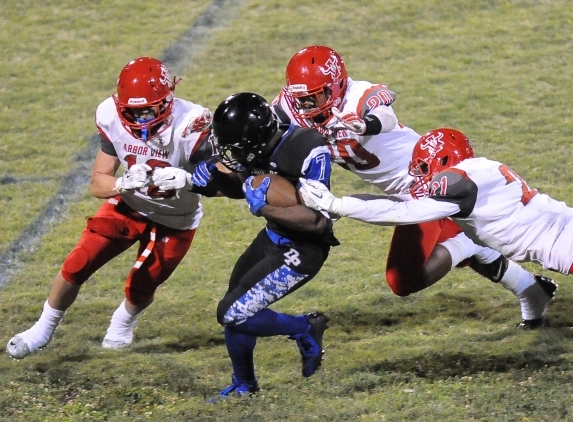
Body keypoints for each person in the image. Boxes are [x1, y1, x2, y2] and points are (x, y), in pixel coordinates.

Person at [271, 45, 556, 326]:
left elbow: (385, 116)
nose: (305, 105)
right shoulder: (291, 105)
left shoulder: (357, 96)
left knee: (403, 279)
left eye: (313, 96)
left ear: (337, 85)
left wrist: (362, 124)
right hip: (404, 193)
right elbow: (267, 123)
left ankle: (471, 247)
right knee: (449, 249)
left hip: (431, 183)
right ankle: (531, 291)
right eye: (301, 98)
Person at [6, 57, 215, 359]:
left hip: (176, 217)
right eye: (133, 111)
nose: (141, 119)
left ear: (169, 100)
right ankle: (43, 328)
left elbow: (225, 184)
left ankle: (122, 322)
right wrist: (122, 184)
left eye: (148, 109)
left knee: (144, 284)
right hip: (128, 204)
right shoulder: (109, 115)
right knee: (79, 261)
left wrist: (187, 179)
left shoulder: (191, 124)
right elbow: (97, 182)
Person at [191, 92, 339, 398]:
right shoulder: (259, 141)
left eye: (234, 147)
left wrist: (265, 208)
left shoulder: (308, 149)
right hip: (272, 237)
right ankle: (245, 384)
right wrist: (215, 180)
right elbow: (242, 188)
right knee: (235, 309)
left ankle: (304, 327)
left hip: (303, 249)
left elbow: (318, 221)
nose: (228, 153)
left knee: (233, 312)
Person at [299, 127, 572, 279]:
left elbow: (403, 211)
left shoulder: (456, 183)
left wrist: (338, 205)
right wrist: (345, 204)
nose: (420, 175)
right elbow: (395, 202)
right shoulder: (479, 169)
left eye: (423, 166)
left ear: (441, 161)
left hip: (560, 244)